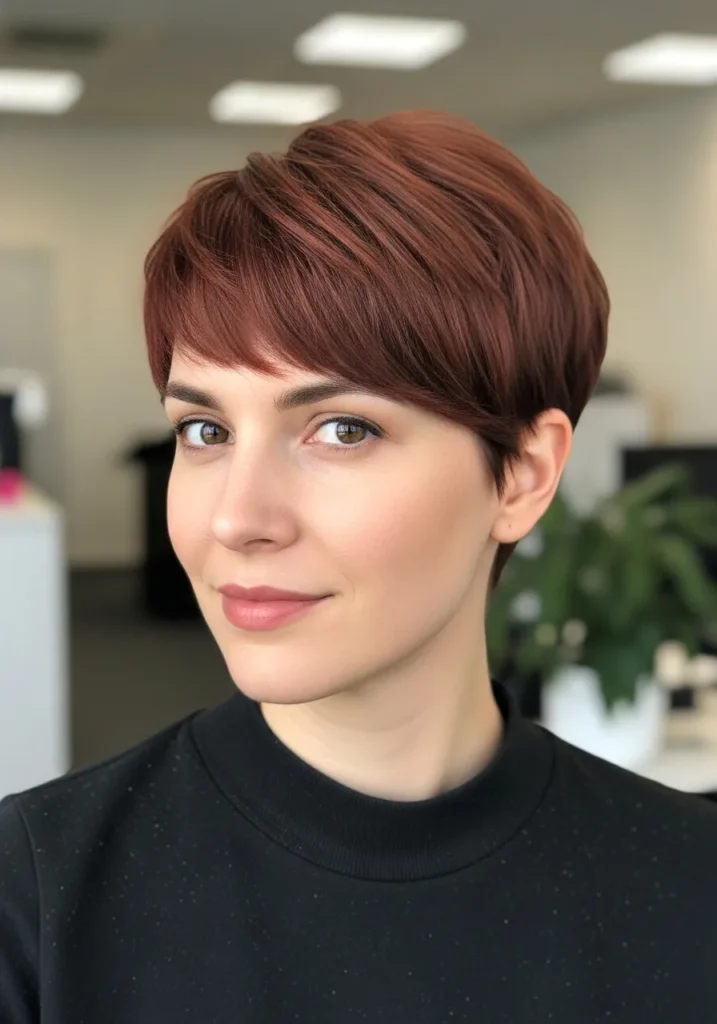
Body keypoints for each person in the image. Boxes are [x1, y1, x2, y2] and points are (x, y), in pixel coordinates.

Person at [1, 109, 716, 1023]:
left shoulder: (687, 890)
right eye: (204, 430)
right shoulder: (39, 892)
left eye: (342, 429)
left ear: (523, 474)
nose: (236, 517)